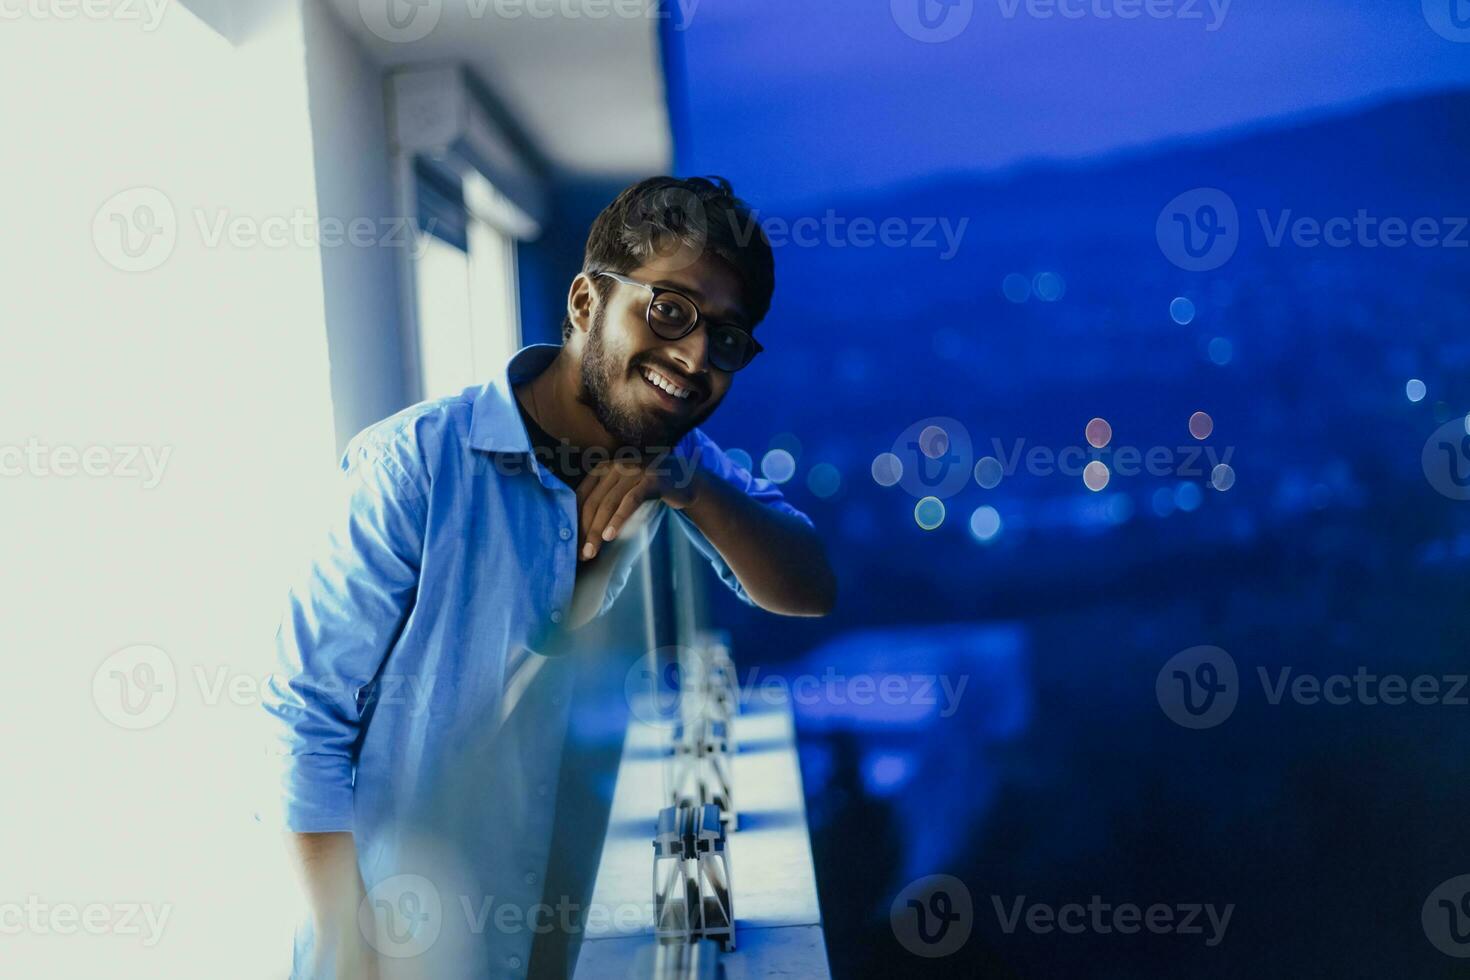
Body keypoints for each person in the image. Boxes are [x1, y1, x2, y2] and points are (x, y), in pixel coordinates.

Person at [263, 176, 835, 978]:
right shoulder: (416, 466)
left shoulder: (672, 460)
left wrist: (686, 486)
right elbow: (302, 725)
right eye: (669, 310)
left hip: (579, 939)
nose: (696, 356)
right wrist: (345, 946)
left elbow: (808, 586)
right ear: (583, 303)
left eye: (728, 338)